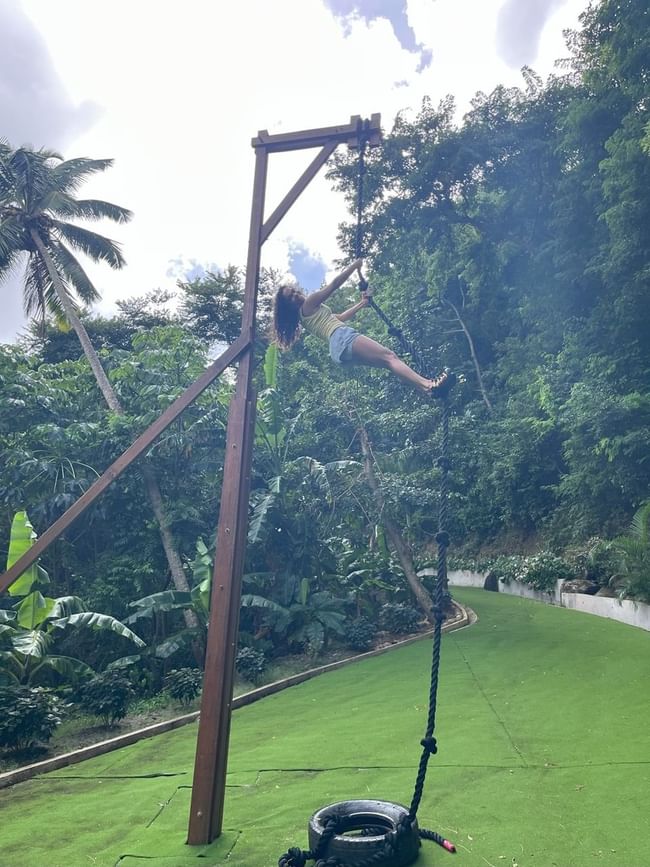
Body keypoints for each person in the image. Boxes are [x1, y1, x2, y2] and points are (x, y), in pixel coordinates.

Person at [272, 258, 452, 396]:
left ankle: (428, 391)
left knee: (389, 363)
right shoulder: (309, 303)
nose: (296, 295)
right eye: (291, 297)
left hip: (338, 350)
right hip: (342, 337)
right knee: (390, 357)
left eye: (294, 291)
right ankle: (429, 385)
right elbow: (334, 285)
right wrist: (354, 266)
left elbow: (340, 317)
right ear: (290, 306)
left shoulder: (306, 318)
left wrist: (361, 304)